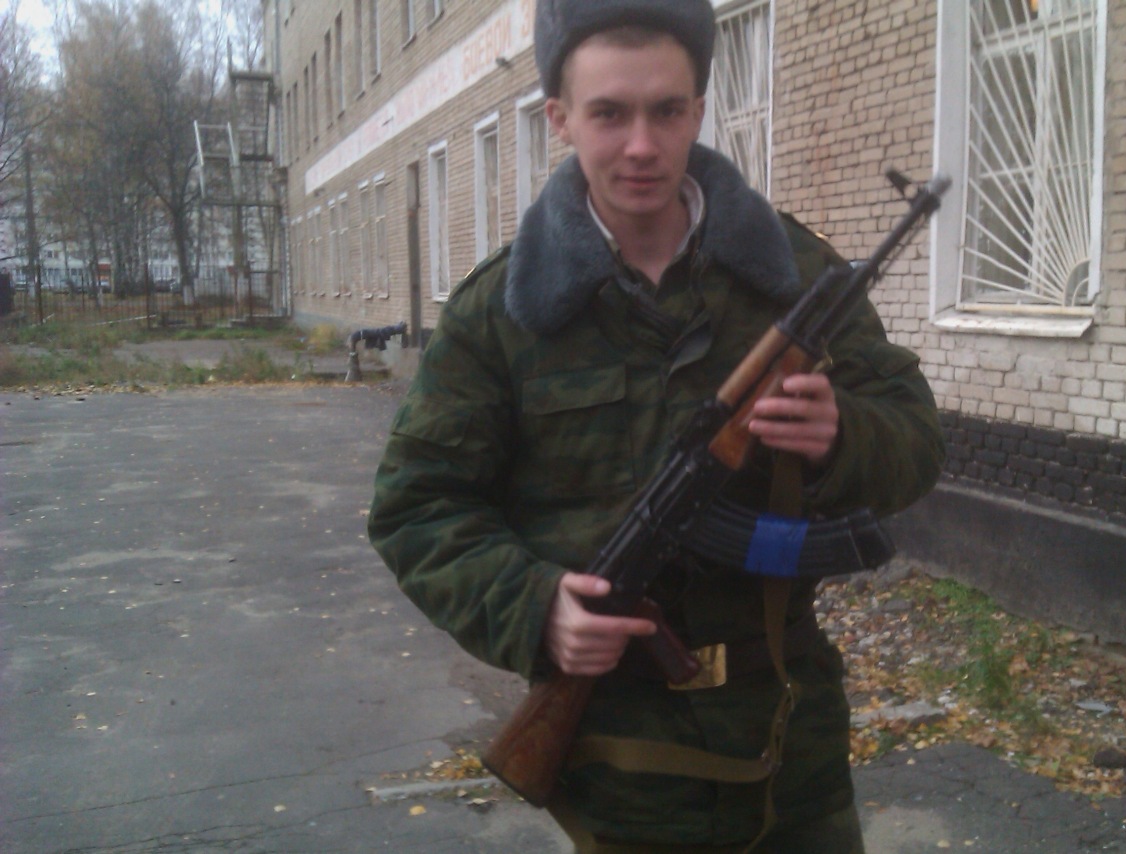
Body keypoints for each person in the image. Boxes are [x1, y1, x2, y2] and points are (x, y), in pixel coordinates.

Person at [368, 1, 945, 850]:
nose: (641, 145)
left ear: (699, 111)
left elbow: (917, 438)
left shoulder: (796, 276)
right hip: (621, 768)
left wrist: (841, 436)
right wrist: (535, 609)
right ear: (559, 118)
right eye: (609, 113)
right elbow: (417, 508)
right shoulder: (499, 313)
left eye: (666, 110)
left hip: (792, 752)